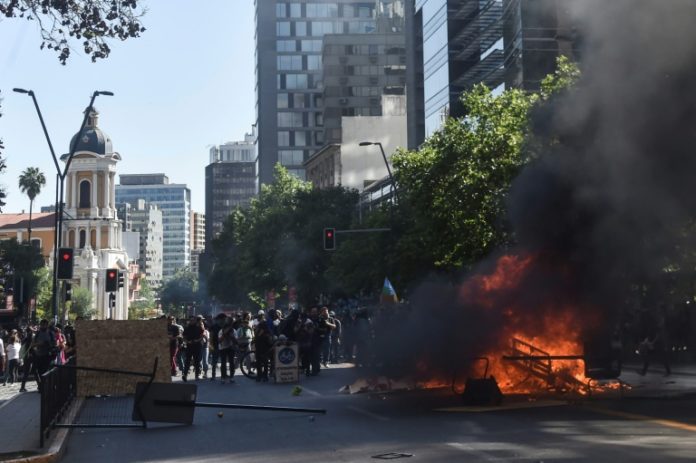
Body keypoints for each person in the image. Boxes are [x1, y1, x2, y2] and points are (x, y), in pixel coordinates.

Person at [182, 315, 204, 381]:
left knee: (197, 361)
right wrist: (187, 342)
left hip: (197, 346)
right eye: (191, 320)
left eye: (193, 320)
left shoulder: (199, 327)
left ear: (195, 321)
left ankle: (197, 375)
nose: (192, 321)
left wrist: (197, 340)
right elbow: (184, 337)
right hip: (189, 346)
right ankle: (185, 375)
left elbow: (202, 336)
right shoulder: (186, 328)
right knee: (187, 361)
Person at [218, 316, 237, 383]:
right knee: (223, 363)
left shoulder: (233, 331)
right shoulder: (221, 330)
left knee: (231, 362)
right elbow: (219, 341)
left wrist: (231, 336)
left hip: (231, 348)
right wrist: (224, 334)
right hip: (223, 348)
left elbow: (236, 341)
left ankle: (232, 377)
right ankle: (223, 377)